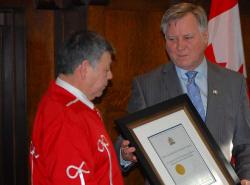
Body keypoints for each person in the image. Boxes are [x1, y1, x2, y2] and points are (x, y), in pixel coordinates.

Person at [117, 3, 250, 185]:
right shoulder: (146, 85)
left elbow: (246, 143)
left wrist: (246, 178)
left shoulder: (233, 83)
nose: (180, 46)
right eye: (172, 39)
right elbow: (125, 139)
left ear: (205, 36)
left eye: (188, 37)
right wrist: (124, 153)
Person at [30, 31, 124, 185]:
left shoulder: (67, 104)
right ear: (85, 68)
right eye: (106, 70)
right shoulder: (67, 117)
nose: (110, 76)